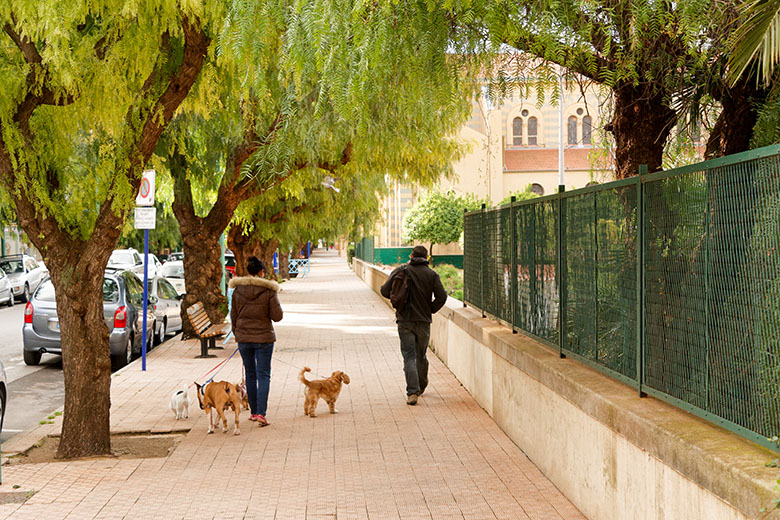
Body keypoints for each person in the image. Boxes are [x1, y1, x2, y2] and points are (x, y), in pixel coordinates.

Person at [380, 245, 447, 405]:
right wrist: (430, 309)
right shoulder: (432, 274)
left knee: (409, 356)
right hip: (423, 321)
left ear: (411, 255)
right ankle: (421, 385)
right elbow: (442, 296)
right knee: (421, 354)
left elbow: (384, 291)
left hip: (405, 320)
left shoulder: (401, 270)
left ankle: (412, 392)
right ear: (426, 258)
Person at [229, 256, 283, 426]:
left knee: (250, 374)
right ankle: (261, 413)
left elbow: (234, 316)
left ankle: (253, 412)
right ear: (261, 272)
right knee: (263, 375)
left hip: (244, 339)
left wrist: (238, 333)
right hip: (264, 338)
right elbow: (277, 316)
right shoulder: (268, 292)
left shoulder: (238, 291)